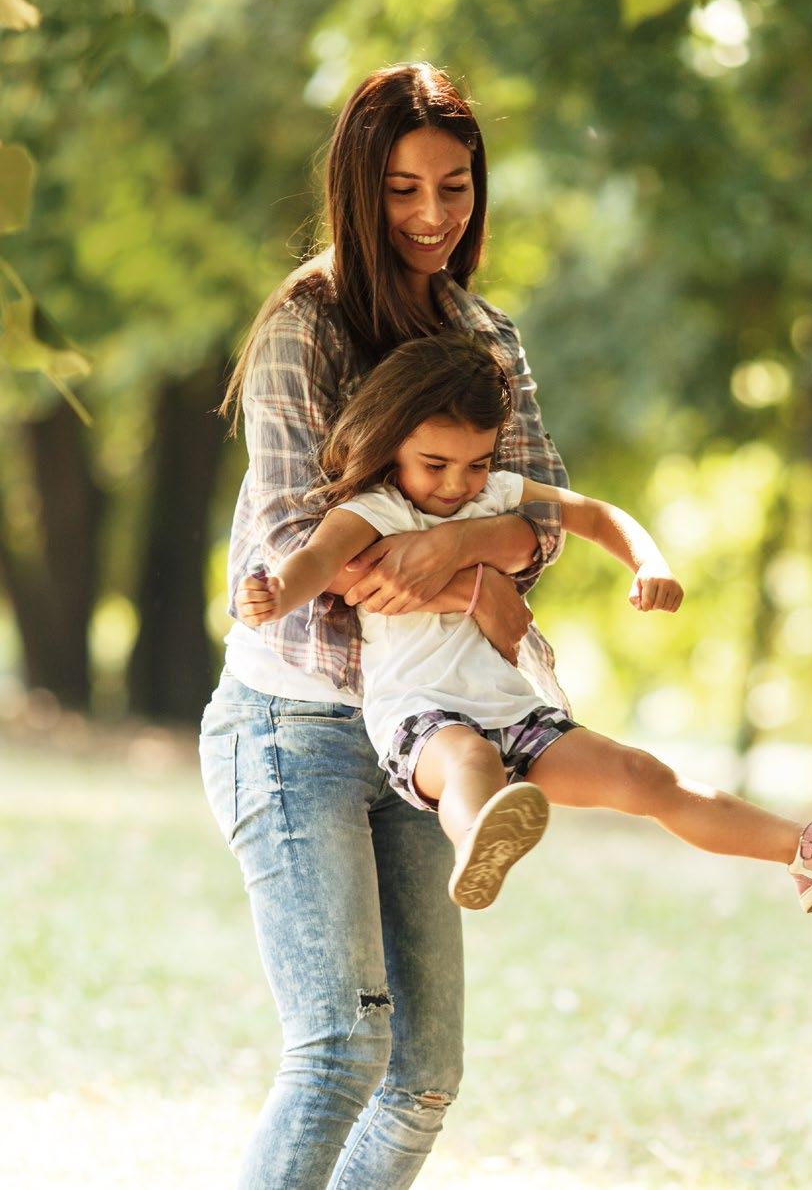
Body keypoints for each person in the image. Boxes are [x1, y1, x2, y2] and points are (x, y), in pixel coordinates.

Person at [199, 62, 572, 1189]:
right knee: (340, 1049)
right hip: (294, 726)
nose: (428, 216)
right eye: (402, 187)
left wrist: (460, 547)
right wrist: (472, 572)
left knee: (422, 1077)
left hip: (425, 731)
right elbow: (302, 556)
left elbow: (541, 521)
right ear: (357, 189)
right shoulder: (301, 331)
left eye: (453, 187)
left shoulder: (483, 333)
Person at [237, 331, 812, 915]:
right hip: (419, 713)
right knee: (473, 762)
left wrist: (649, 562)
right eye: (435, 464)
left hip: (511, 708)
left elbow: (593, 515)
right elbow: (315, 559)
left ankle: (803, 850)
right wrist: (278, 591)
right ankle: (478, 845)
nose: (456, 485)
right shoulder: (372, 510)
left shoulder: (498, 494)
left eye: (477, 463)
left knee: (642, 774)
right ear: (392, 443)